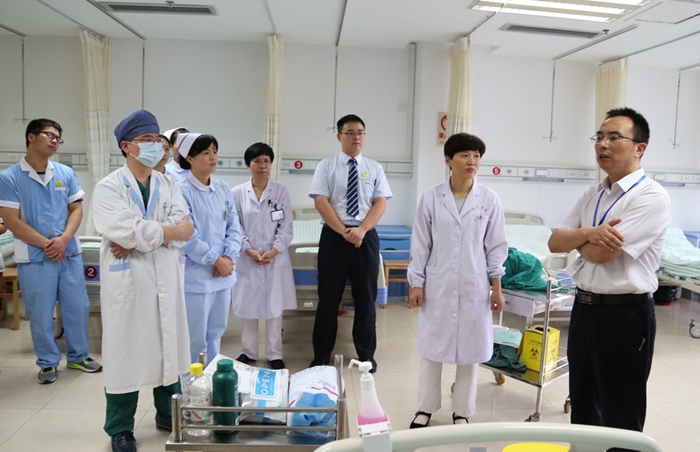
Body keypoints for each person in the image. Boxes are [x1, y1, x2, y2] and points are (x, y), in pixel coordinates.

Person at [548, 107, 670, 439]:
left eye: (614, 137)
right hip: (584, 310)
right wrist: (590, 233)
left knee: (621, 410)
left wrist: (579, 239)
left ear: (639, 148)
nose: (603, 144)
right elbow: (555, 242)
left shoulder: (651, 196)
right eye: (599, 137)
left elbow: (604, 254)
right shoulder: (593, 193)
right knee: (583, 403)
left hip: (625, 315)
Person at [93, 110, 194, 452]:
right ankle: (120, 427)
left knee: (168, 347)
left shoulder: (169, 184)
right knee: (126, 352)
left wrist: (141, 237)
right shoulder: (108, 187)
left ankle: (168, 415)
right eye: (147, 140)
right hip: (129, 282)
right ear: (126, 146)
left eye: (157, 140)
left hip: (164, 276)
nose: (156, 146)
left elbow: (184, 229)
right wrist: (162, 232)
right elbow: (125, 229)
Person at [406, 133, 507, 428]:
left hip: (475, 286)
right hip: (437, 285)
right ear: (449, 160)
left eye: (476, 156)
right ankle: (425, 408)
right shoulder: (431, 198)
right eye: (464, 155)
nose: (471, 161)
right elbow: (421, 244)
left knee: (470, 351)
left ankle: (462, 410)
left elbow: (496, 247)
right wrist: (416, 283)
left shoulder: (489, 199)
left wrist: (497, 288)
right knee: (432, 348)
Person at [0, 118, 102, 385]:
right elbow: (11, 220)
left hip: (68, 254)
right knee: (41, 312)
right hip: (35, 258)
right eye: (50, 135)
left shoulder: (65, 173)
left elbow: (76, 209)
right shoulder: (9, 177)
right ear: (31, 137)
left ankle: (79, 356)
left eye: (58, 137)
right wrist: (47, 244)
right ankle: (47, 362)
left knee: (78, 306)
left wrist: (64, 239)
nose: (55, 140)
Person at [308, 114, 392, 373]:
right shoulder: (326, 166)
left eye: (361, 132)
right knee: (328, 300)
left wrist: (361, 230)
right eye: (350, 132)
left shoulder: (375, 168)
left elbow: (380, 203)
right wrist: (344, 231)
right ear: (339, 136)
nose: (357, 137)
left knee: (366, 300)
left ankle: (366, 355)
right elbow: (321, 201)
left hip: (365, 238)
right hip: (335, 237)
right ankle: (321, 357)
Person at [231, 143, 297, 370]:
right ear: (248, 165)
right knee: (248, 307)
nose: (262, 166)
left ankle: (274, 354)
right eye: (257, 161)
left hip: (274, 259)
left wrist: (274, 250)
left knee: (274, 308)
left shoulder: (280, 192)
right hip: (247, 259)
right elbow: (235, 226)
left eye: (266, 161)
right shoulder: (237, 193)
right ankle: (248, 352)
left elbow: (286, 227)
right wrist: (248, 249)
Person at [178, 133, 241, 365]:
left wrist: (228, 257)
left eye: (214, 151)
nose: (213, 157)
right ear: (190, 158)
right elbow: (187, 236)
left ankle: (212, 376)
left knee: (216, 332)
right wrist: (216, 260)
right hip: (196, 277)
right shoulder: (181, 191)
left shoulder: (223, 189)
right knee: (195, 338)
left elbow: (234, 227)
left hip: (222, 275)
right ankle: (191, 380)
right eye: (206, 153)